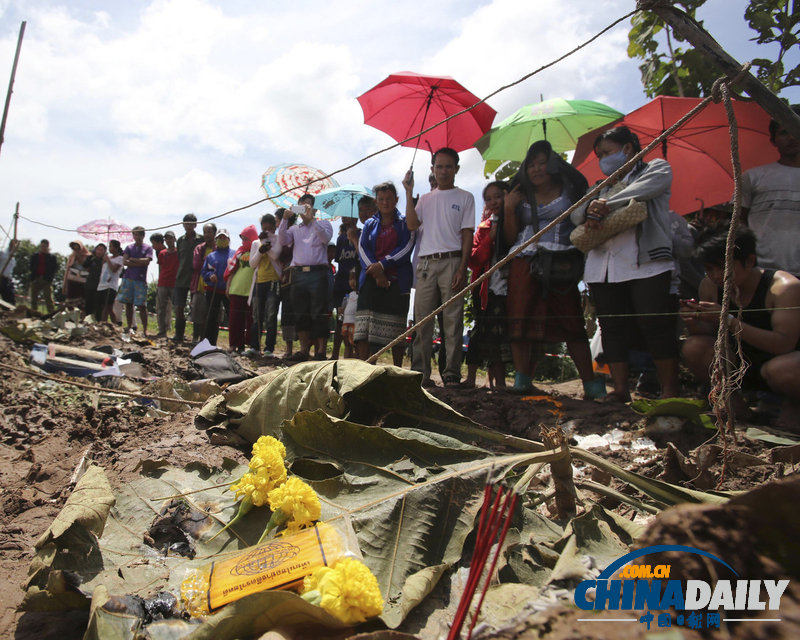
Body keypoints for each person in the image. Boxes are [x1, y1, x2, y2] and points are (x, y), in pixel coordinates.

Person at [572, 126, 679, 402]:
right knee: (611, 327)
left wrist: (607, 204)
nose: (603, 159)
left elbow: (647, 189)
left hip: (647, 262)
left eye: (607, 152)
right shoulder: (599, 186)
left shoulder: (656, 168)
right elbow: (575, 214)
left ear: (628, 148)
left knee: (654, 324)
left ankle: (669, 391)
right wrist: (592, 206)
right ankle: (620, 390)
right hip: (604, 265)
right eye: (599, 155)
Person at [502, 141, 605, 398]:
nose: (537, 169)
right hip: (523, 259)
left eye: (542, 162)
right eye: (531, 164)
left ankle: (590, 384)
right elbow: (509, 238)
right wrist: (508, 208)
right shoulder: (519, 196)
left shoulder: (572, 190)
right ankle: (521, 380)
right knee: (520, 317)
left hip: (561, 261)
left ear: (554, 165)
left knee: (571, 319)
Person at [682, 224, 800, 432]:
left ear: (750, 261)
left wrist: (728, 320)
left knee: (782, 369)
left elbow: (784, 343)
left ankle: (794, 405)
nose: (717, 275)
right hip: (741, 364)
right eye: (709, 269)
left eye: (723, 267)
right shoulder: (710, 287)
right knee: (694, 346)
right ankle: (738, 409)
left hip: (784, 365)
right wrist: (694, 321)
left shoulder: (783, 288)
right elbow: (708, 337)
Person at [403, 147, 475, 387]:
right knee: (422, 321)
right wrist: (408, 192)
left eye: (448, 167)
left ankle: (452, 373)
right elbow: (412, 225)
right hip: (426, 263)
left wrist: (463, 268)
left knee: (453, 320)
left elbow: (468, 235)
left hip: (453, 261)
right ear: (433, 169)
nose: (443, 171)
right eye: (439, 167)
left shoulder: (466, 197)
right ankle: (420, 373)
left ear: (456, 169)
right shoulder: (425, 199)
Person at [356, 182, 415, 367]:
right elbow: (363, 249)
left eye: (389, 199)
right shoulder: (369, 224)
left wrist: (382, 265)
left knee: (396, 327)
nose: (385, 203)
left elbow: (406, 247)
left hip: (398, 281)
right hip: (371, 280)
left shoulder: (404, 222)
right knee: (366, 327)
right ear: (376, 202)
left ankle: (397, 370)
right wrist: (376, 272)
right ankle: (365, 368)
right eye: (381, 199)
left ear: (396, 200)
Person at [741, 105, 800, 277]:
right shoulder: (752, 177)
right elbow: (740, 224)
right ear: (773, 140)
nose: (791, 137)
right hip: (764, 270)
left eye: (795, 129)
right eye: (784, 132)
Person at [464, 181, 511, 389]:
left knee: (503, 332)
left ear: (507, 196)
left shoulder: (518, 221)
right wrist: (490, 237)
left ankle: (500, 382)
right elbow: (474, 259)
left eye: (498, 196)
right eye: (489, 199)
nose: (493, 202)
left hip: (511, 287)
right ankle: (471, 379)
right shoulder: (483, 228)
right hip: (484, 288)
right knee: (480, 330)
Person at [278, 194, 333, 361]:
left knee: (319, 311)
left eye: (308, 206)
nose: (304, 210)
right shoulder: (295, 228)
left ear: (315, 209)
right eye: (301, 206)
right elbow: (282, 240)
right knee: (300, 312)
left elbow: (325, 239)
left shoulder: (324, 224)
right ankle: (303, 350)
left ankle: (321, 351)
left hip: (318, 272)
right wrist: (284, 219)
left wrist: (312, 220)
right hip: (298, 273)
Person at [249, 213, 282, 356]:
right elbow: (252, 264)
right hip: (259, 281)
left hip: (274, 281)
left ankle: (269, 348)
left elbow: (275, 255)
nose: (267, 232)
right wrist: (260, 251)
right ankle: (254, 347)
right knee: (257, 316)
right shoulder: (255, 243)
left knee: (271, 316)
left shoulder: (279, 240)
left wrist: (266, 245)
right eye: (264, 229)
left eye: (270, 229)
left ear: (275, 228)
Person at [224, 225, 259, 352]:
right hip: (237, 288)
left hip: (252, 289)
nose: (243, 242)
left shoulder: (259, 250)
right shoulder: (240, 252)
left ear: (253, 239)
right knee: (235, 319)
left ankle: (251, 345)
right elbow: (232, 269)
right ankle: (234, 344)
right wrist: (228, 285)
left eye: (246, 239)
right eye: (242, 239)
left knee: (251, 319)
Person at [331, 217, 359, 359]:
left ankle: (355, 355)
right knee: (340, 320)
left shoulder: (361, 234)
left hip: (356, 283)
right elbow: (338, 261)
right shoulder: (341, 239)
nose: (346, 218)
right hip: (341, 283)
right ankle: (335, 355)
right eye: (344, 216)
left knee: (356, 321)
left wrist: (354, 238)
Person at [174, 213, 204, 343]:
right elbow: (179, 258)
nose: (189, 226)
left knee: (196, 308)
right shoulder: (180, 240)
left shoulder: (201, 239)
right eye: (186, 223)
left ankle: (196, 336)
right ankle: (179, 335)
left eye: (191, 224)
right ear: (183, 225)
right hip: (181, 277)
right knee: (179, 306)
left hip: (197, 277)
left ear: (195, 225)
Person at [117, 226, 153, 336]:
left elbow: (146, 261)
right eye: (135, 234)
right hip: (128, 278)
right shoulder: (129, 247)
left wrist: (133, 260)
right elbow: (125, 262)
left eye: (139, 235)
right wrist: (138, 263)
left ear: (143, 236)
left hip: (140, 279)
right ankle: (129, 326)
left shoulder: (148, 248)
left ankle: (145, 329)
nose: (137, 237)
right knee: (128, 304)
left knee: (142, 305)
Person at [202, 228, 234, 346]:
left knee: (232, 317)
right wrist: (210, 275)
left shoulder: (234, 254)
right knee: (211, 317)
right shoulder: (211, 256)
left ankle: (234, 344)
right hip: (213, 289)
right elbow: (204, 271)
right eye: (219, 238)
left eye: (224, 238)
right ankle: (209, 344)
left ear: (228, 240)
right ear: (216, 240)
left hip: (229, 290)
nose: (222, 240)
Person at [191, 223, 217, 343]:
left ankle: (208, 341)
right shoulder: (199, 248)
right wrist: (208, 262)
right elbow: (196, 265)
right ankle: (195, 337)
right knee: (197, 313)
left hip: (214, 287)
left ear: (214, 233)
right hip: (199, 285)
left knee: (212, 315)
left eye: (209, 232)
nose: (207, 235)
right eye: (205, 232)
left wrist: (204, 260)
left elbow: (218, 266)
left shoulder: (218, 248)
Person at [153, 231, 179, 338]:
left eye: (170, 238)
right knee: (161, 308)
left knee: (177, 308)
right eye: (167, 239)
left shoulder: (179, 252)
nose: (169, 241)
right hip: (163, 283)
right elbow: (160, 268)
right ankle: (162, 330)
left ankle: (178, 332)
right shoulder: (162, 253)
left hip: (175, 283)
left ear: (175, 239)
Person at [97, 239, 123, 322]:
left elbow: (114, 269)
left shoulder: (120, 258)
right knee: (102, 307)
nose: (109, 248)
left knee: (108, 307)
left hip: (110, 285)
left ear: (116, 248)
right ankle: (103, 323)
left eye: (111, 247)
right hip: (102, 284)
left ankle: (114, 323)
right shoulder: (107, 257)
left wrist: (108, 261)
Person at [29, 239, 58, 313]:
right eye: (41, 246)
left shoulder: (52, 257)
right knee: (33, 298)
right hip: (36, 278)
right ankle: (34, 313)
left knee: (48, 297)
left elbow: (54, 268)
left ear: (47, 246)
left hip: (46, 280)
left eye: (44, 246)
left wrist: (50, 277)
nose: (43, 248)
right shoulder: (35, 256)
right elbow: (31, 266)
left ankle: (51, 314)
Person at [63, 241, 90, 312]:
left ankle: (82, 316)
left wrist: (79, 258)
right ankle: (71, 315)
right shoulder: (72, 256)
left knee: (82, 303)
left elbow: (87, 267)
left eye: (78, 248)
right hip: (72, 281)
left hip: (82, 282)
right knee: (70, 302)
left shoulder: (88, 257)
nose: (76, 250)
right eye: (74, 249)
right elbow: (68, 269)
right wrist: (64, 285)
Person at [82, 243, 106, 319]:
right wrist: (91, 257)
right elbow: (85, 265)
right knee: (88, 303)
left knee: (98, 305)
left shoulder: (105, 260)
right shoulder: (91, 258)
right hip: (90, 283)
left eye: (101, 250)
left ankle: (98, 320)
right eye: (98, 249)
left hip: (99, 284)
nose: (99, 252)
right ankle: (88, 319)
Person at [341, 266, 359, 358]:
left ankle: (356, 361)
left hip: (355, 323)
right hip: (346, 322)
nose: (352, 282)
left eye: (354, 279)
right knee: (347, 344)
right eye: (350, 279)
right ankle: (346, 360)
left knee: (356, 345)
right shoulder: (349, 294)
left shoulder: (361, 294)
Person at [0, 239, 18, 304]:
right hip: (1, 277)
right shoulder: (2, 253)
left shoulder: (13, 257)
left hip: (7, 279)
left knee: (10, 299)